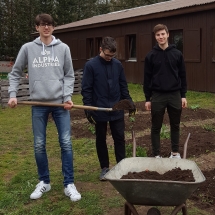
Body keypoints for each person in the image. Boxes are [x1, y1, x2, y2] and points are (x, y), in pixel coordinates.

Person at [8, 13, 81, 201]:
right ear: (37, 28)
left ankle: (69, 184)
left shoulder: (63, 48)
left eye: (49, 24)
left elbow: (69, 75)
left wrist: (67, 97)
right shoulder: (27, 48)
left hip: (60, 104)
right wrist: (13, 95)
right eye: (42, 24)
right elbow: (15, 73)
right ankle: (44, 182)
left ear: (53, 28)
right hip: (38, 104)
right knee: (39, 145)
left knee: (66, 143)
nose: (46, 27)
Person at [81, 36, 136, 181]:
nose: (109, 58)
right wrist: (88, 108)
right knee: (101, 138)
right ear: (100, 50)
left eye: (112, 56)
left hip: (116, 108)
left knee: (119, 138)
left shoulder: (117, 65)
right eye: (107, 55)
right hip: (99, 108)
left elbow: (123, 86)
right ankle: (105, 168)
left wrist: (129, 102)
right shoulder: (91, 66)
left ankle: (121, 166)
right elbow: (86, 89)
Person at [143, 24, 187, 159]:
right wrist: (147, 98)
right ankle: (157, 154)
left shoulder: (177, 54)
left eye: (163, 34)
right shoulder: (150, 56)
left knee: (175, 125)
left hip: (174, 94)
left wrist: (183, 95)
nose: (161, 37)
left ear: (168, 34)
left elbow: (183, 75)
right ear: (155, 37)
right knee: (156, 127)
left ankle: (175, 153)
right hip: (157, 95)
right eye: (158, 35)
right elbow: (147, 78)